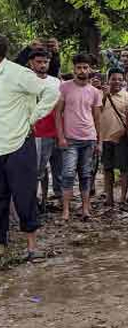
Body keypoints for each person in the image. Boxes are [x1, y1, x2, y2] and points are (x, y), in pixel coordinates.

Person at [0, 34, 59, 260]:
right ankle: (2, 246)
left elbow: (51, 91)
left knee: (24, 195)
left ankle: (32, 248)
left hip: (18, 144)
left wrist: (33, 117)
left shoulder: (18, 73)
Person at [55, 53, 102, 222]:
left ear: (90, 69)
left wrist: (99, 141)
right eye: (79, 67)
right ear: (73, 69)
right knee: (67, 174)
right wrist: (61, 137)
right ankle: (66, 211)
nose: (82, 70)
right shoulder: (65, 87)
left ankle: (85, 209)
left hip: (89, 138)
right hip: (70, 139)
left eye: (85, 67)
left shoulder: (95, 92)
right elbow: (57, 113)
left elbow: (97, 118)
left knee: (85, 174)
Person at [28, 49, 62, 211]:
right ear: (31, 63)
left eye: (45, 62)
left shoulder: (55, 82)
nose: (42, 65)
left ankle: (45, 201)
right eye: (39, 62)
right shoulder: (25, 80)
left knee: (54, 168)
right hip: (35, 131)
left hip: (55, 130)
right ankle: (33, 202)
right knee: (37, 169)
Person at [99, 67, 128, 207]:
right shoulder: (100, 94)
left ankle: (122, 197)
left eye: (120, 79)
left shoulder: (127, 97)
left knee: (123, 169)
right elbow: (96, 110)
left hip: (121, 138)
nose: (117, 82)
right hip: (105, 137)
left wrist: (121, 134)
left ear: (124, 81)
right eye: (114, 79)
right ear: (108, 80)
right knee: (107, 169)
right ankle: (109, 197)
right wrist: (104, 95)